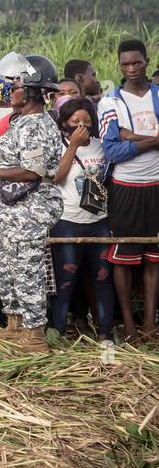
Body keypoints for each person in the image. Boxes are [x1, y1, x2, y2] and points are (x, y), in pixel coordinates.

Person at [0, 53, 63, 352]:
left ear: (28, 89)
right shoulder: (19, 122)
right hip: (9, 209)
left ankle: (35, 334)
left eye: (12, 85)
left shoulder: (36, 125)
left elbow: (33, 172)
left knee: (26, 269)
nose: (5, 90)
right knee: (2, 267)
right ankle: (14, 324)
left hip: (30, 210)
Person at [99, 38, 159, 341]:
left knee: (154, 257)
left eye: (137, 62)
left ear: (147, 60)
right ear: (119, 65)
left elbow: (123, 144)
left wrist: (132, 137)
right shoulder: (111, 102)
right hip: (125, 188)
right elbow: (112, 151)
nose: (131, 68)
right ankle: (130, 327)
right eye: (125, 64)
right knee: (123, 259)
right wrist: (153, 140)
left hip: (156, 187)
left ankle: (149, 324)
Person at [50, 98, 116, 342]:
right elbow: (56, 177)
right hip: (67, 220)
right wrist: (73, 146)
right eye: (75, 122)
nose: (81, 126)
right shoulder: (58, 145)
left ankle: (106, 333)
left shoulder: (101, 146)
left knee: (102, 277)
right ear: (64, 124)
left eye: (86, 121)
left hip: (99, 220)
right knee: (66, 279)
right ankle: (57, 332)